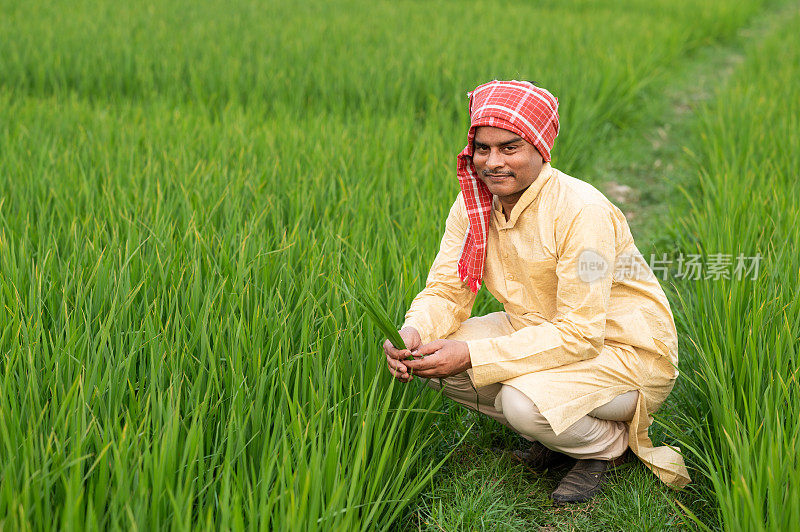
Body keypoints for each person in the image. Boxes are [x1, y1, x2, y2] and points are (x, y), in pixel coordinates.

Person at [383, 79, 690, 504]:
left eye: (510, 148)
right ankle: (562, 435)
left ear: (540, 150)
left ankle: (610, 449)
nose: (493, 162)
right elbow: (447, 289)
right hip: (538, 329)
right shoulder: (473, 205)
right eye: (483, 148)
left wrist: (475, 355)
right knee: (435, 356)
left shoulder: (582, 211)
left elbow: (581, 334)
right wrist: (412, 332)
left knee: (520, 402)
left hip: (622, 352)